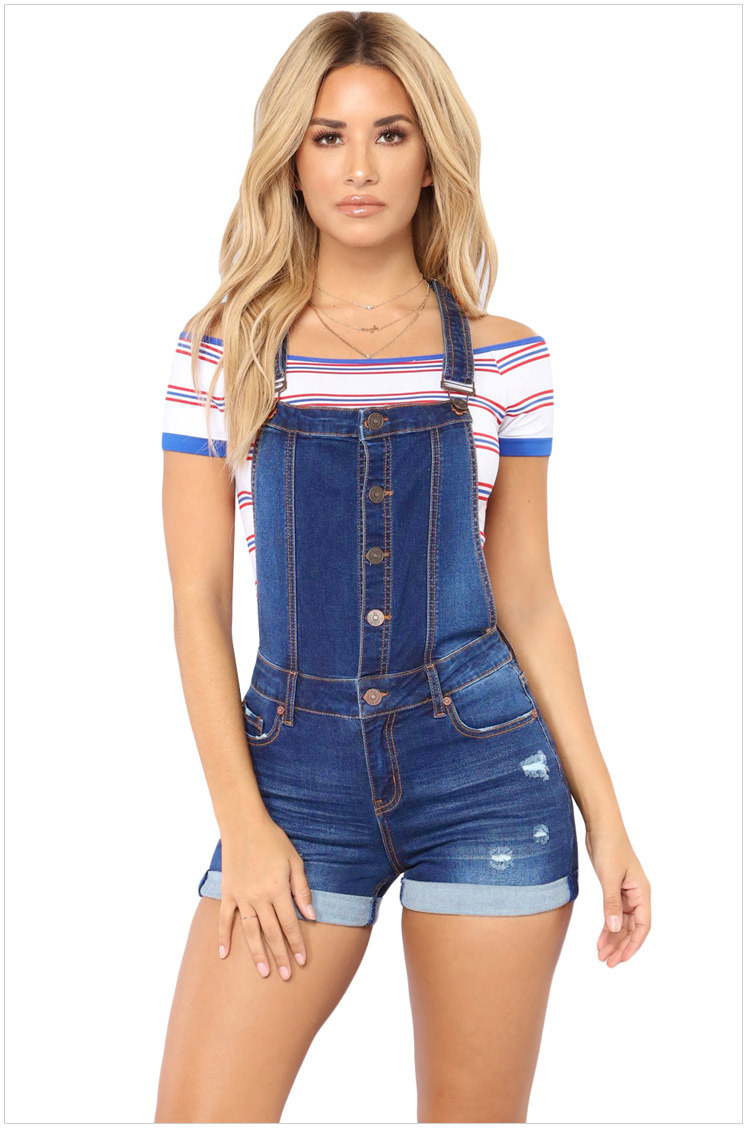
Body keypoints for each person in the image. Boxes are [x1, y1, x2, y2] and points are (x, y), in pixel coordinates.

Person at [155, 10, 651, 1123]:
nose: (359, 167)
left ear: (430, 158)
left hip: (484, 772)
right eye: (327, 137)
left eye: (389, 134)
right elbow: (196, 600)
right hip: (291, 776)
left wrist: (606, 815)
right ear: (289, 159)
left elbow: (527, 596)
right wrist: (244, 823)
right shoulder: (222, 350)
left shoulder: (507, 357)